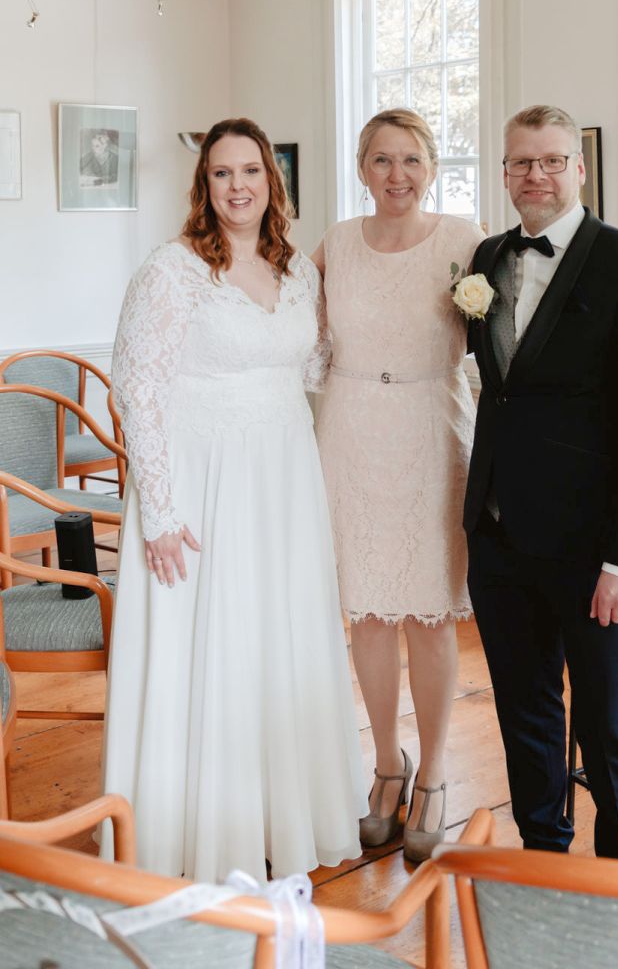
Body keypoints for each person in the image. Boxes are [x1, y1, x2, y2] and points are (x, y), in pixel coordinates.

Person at [101, 117, 366, 883]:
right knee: (207, 641)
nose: (238, 185)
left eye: (251, 170)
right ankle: (196, 833)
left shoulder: (301, 273)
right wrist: (160, 509)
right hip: (200, 481)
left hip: (282, 478)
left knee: (274, 640)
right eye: (222, 174)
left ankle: (281, 816)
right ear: (204, 186)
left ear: (272, 181)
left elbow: (316, 368)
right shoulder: (171, 270)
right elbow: (137, 389)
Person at [464, 104, 618, 862]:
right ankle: (543, 858)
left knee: (609, 724)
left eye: (552, 160)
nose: (536, 176)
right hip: (498, 537)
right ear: (504, 172)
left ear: (579, 169)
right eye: (521, 163)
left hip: (595, 554)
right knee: (525, 713)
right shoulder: (486, 258)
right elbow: (501, 390)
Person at [313, 108, 483, 862]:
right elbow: (300, 333)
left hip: (432, 428)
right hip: (349, 427)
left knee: (430, 610)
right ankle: (387, 765)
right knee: (370, 614)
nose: (397, 175)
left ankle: (437, 769)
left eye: (411, 160)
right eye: (382, 160)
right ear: (361, 167)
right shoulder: (335, 244)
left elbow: (504, 340)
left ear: (432, 167)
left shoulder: (464, 241)